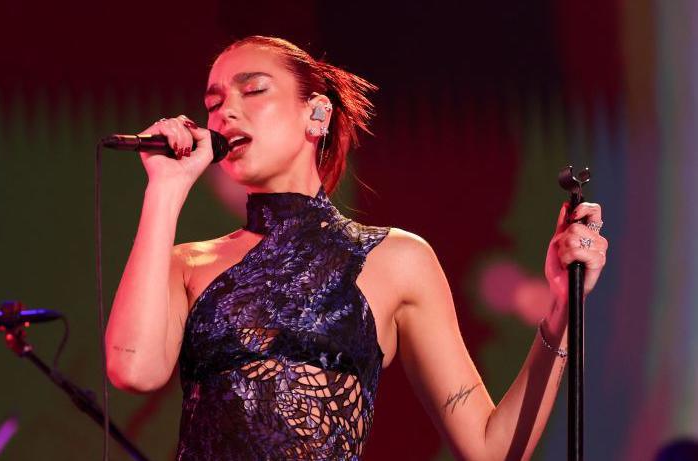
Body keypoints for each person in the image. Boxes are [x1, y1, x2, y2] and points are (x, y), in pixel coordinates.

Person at [104, 36, 608, 460]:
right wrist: (164, 191)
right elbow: (134, 369)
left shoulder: (397, 260)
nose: (225, 112)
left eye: (253, 90)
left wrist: (563, 309)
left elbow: (491, 448)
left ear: (317, 114)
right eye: (212, 104)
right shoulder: (188, 263)